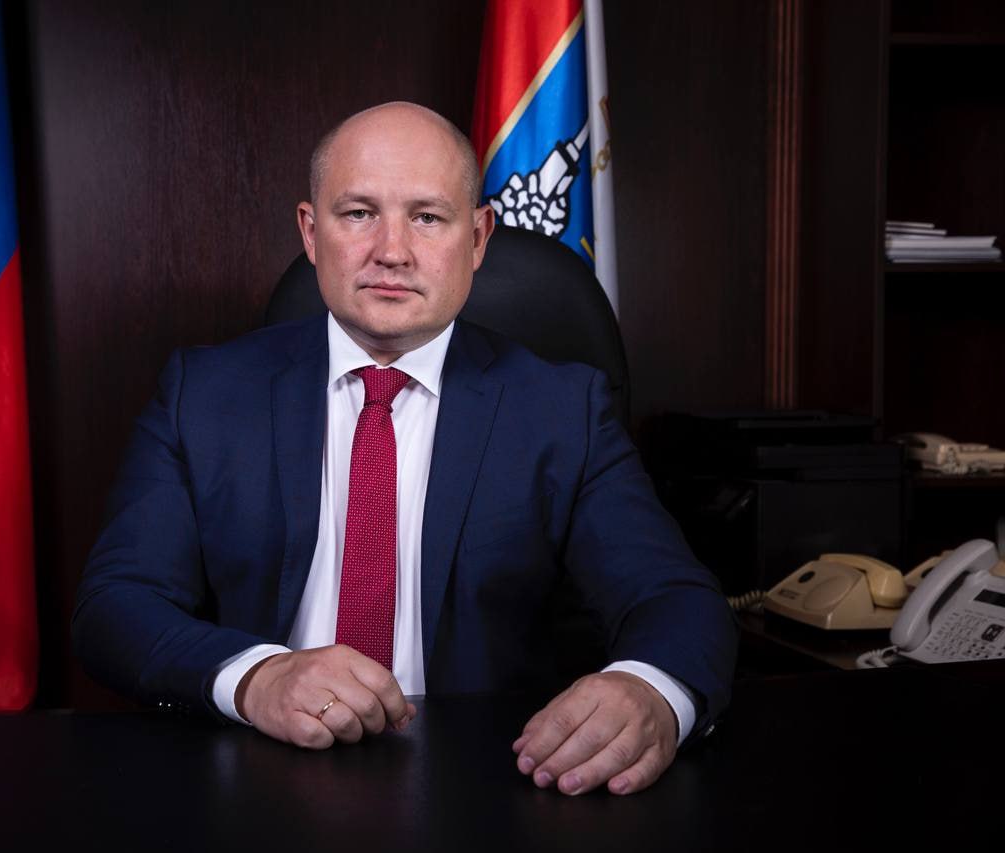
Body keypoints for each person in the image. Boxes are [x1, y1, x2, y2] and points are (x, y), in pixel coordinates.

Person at [73, 101, 737, 796]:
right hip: (259, 776)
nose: (392, 251)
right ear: (311, 232)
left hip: (490, 785)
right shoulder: (204, 394)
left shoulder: (562, 410)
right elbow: (115, 606)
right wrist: (257, 677)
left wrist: (649, 689)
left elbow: (676, 598)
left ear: (477, 238)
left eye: (427, 217)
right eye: (359, 213)